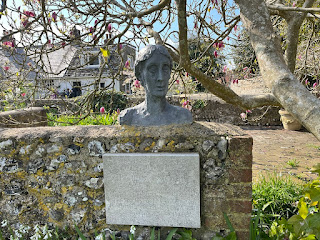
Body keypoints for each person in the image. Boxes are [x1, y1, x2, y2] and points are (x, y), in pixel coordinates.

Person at [119, 44, 193, 126]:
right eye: (153, 70)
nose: (160, 78)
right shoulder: (129, 117)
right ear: (140, 75)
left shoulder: (183, 116)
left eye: (165, 69)